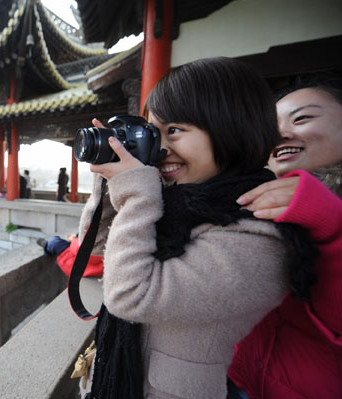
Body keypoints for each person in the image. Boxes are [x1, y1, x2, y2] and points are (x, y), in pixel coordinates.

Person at [77, 57, 316, 399]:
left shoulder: (260, 236)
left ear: (230, 128)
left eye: (174, 130)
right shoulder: (177, 205)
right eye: (153, 132)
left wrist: (137, 194)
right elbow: (98, 243)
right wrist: (110, 176)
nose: (159, 149)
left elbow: (130, 295)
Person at [227, 75, 342, 398]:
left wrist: (332, 224)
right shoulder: (247, 200)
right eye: (269, 126)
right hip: (238, 381)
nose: (279, 133)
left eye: (302, 117)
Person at [38, 234, 104, 278]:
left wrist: (74, 240)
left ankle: (46, 245)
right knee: (54, 243)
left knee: (54, 243)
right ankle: (46, 245)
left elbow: (80, 250)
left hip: (67, 255)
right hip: (70, 259)